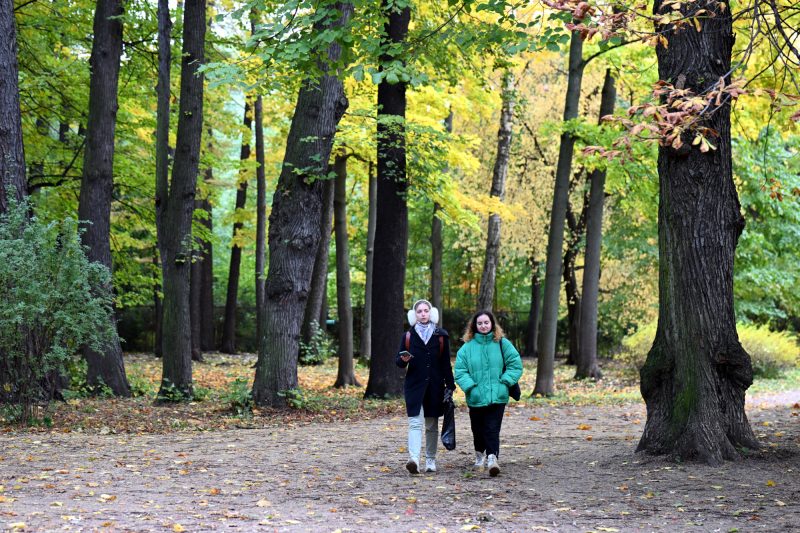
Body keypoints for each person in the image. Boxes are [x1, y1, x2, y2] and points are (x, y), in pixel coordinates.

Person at [454, 310, 523, 477]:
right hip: (476, 397)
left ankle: (493, 459)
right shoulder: (467, 348)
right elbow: (460, 371)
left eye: (486, 322)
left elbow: (515, 365)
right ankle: (479, 456)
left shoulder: (502, 343)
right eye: (480, 323)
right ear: (474, 326)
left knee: (492, 428)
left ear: (492, 324)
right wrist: (471, 387)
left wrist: (505, 381)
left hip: (497, 395)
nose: (483, 326)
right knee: (477, 429)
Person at [396, 299, 455, 474]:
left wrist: (450, 386)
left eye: (425, 310)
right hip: (414, 386)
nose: (423, 314)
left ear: (431, 313)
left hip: (435, 386)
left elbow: (445, 363)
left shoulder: (441, 336)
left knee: (431, 425)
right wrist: (403, 359)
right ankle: (414, 459)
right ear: (414, 315)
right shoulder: (408, 336)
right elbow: (398, 361)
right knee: (415, 423)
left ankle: (430, 460)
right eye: (419, 311)